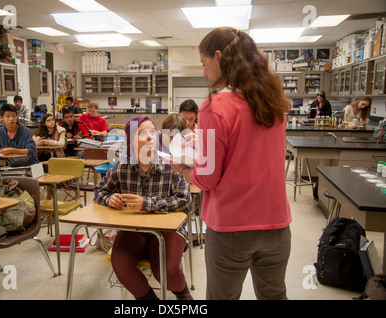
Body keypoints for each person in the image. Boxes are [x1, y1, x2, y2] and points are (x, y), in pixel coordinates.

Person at [172, 27, 292, 300]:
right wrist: (204, 146)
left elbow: (208, 178)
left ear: (218, 57)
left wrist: (182, 169)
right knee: (274, 295)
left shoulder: (215, 106)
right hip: (276, 225)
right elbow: (252, 152)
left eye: (204, 64)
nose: (204, 72)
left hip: (232, 228)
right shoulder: (273, 103)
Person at [94, 115, 193, 300]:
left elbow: (186, 201)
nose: (149, 137)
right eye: (142, 133)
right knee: (120, 264)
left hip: (167, 231)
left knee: (165, 273)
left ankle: (183, 295)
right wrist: (109, 199)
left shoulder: (171, 165)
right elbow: (99, 190)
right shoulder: (122, 168)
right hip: (134, 230)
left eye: (152, 132)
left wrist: (147, 204)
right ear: (131, 141)